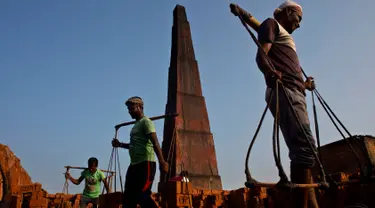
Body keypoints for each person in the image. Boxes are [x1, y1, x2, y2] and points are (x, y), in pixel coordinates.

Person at [231, 1, 318, 207]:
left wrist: (304, 85)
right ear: (288, 12)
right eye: (298, 18)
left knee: (306, 154)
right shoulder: (272, 24)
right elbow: (262, 54)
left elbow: (256, 25)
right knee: (304, 148)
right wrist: (269, 71)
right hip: (285, 91)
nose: (299, 24)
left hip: (295, 92)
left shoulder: (284, 38)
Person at [112, 96, 169, 208]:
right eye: (128, 109)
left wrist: (162, 161)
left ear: (140, 107)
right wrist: (120, 144)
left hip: (145, 163)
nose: (129, 112)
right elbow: (134, 146)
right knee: (128, 198)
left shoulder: (146, 122)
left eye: (132, 109)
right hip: (134, 165)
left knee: (141, 195)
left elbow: (155, 142)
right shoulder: (135, 126)